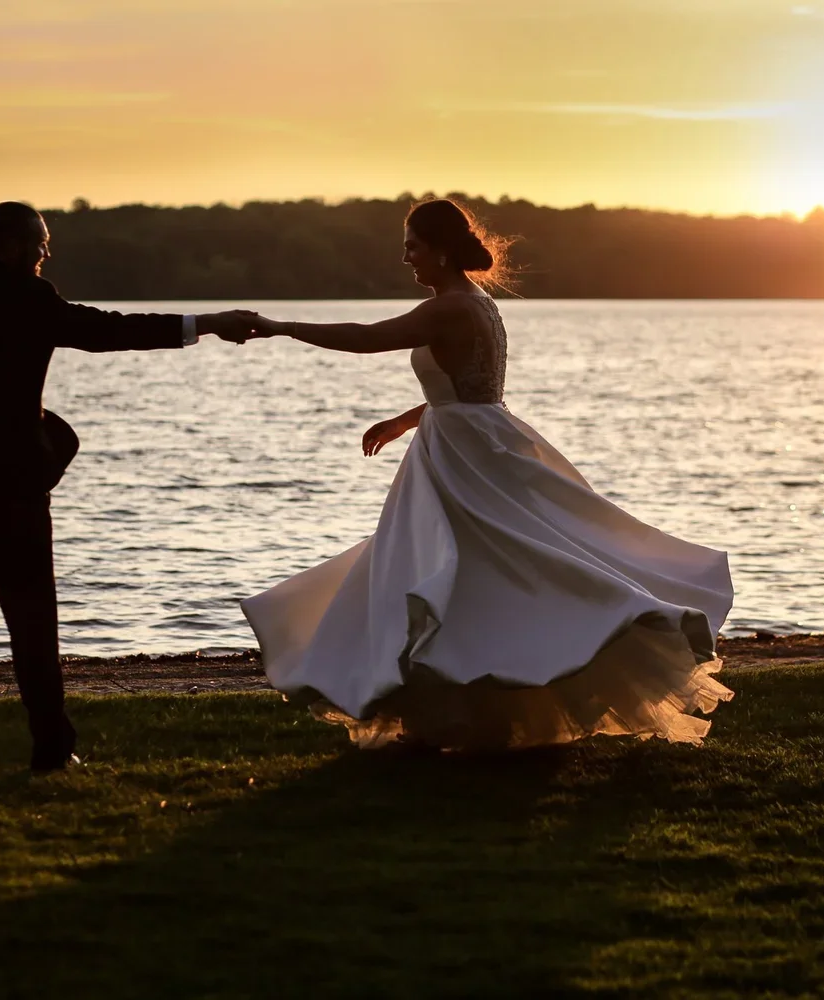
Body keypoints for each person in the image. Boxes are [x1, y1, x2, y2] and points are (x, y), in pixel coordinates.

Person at [236, 199, 735, 750]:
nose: (405, 258)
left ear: (440, 250)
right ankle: (464, 712)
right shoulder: (476, 302)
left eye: (412, 247)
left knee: (470, 566)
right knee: (463, 568)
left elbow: (366, 337)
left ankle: (474, 698)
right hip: (470, 438)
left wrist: (279, 326)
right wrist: (407, 420)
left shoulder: (451, 306)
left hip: (465, 455)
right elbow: (467, 388)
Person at [0, 201, 251, 775]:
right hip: (15, 489)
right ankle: (51, 750)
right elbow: (113, 331)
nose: (46, 253)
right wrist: (206, 323)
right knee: (33, 622)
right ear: (14, 245)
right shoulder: (30, 299)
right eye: (40, 243)